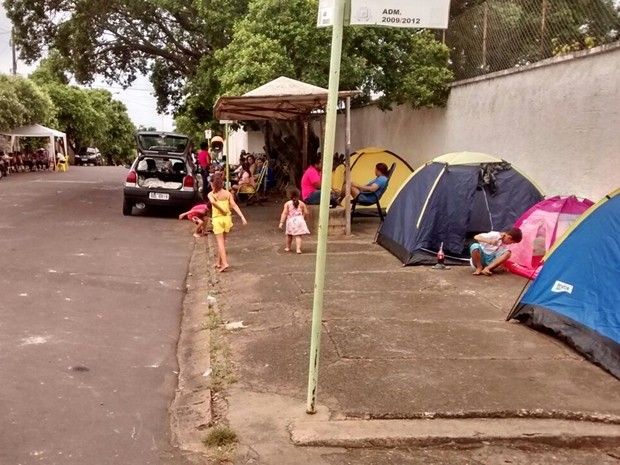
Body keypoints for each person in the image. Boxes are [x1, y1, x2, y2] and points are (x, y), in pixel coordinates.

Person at [208, 173, 247, 272]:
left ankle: (225, 263)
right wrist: (242, 217)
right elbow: (234, 205)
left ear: (213, 184)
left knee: (220, 243)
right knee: (222, 242)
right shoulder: (227, 193)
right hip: (227, 219)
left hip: (218, 219)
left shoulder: (211, 194)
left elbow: (213, 202)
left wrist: (221, 210)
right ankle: (219, 262)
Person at [279, 187, 310, 254]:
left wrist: (281, 222)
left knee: (289, 235)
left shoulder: (287, 203)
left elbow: (284, 213)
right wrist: (303, 217)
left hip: (291, 221)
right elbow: (306, 212)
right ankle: (298, 249)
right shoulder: (301, 203)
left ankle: (288, 247)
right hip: (300, 220)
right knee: (298, 236)